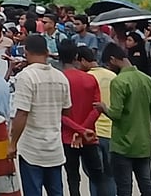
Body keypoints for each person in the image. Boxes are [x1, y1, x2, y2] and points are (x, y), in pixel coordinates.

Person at [9, 35, 71, 196]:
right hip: (54, 149)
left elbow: (22, 113)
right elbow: (66, 110)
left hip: (32, 149)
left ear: (26, 51)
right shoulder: (61, 77)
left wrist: (13, 143)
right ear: (47, 52)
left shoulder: (26, 76)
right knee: (56, 191)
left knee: (33, 191)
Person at [94, 44, 151, 196]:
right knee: (146, 183)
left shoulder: (119, 81)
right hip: (143, 143)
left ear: (113, 60)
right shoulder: (147, 79)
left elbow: (115, 114)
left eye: (108, 65)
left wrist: (103, 108)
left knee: (124, 187)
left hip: (122, 144)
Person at [58, 41, 110, 196]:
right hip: (90, 135)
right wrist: (83, 130)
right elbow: (97, 108)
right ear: (76, 56)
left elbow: (58, 113)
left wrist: (77, 130)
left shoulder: (60, 80)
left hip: (67, 137)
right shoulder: (90, 79)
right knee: (98, 176)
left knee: (73, 178)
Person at [85, 46, 118, 196]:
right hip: (111, 131)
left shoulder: (86, 79)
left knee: (94, 175)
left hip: (92, 132)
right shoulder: (113, 76)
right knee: (110, 175)